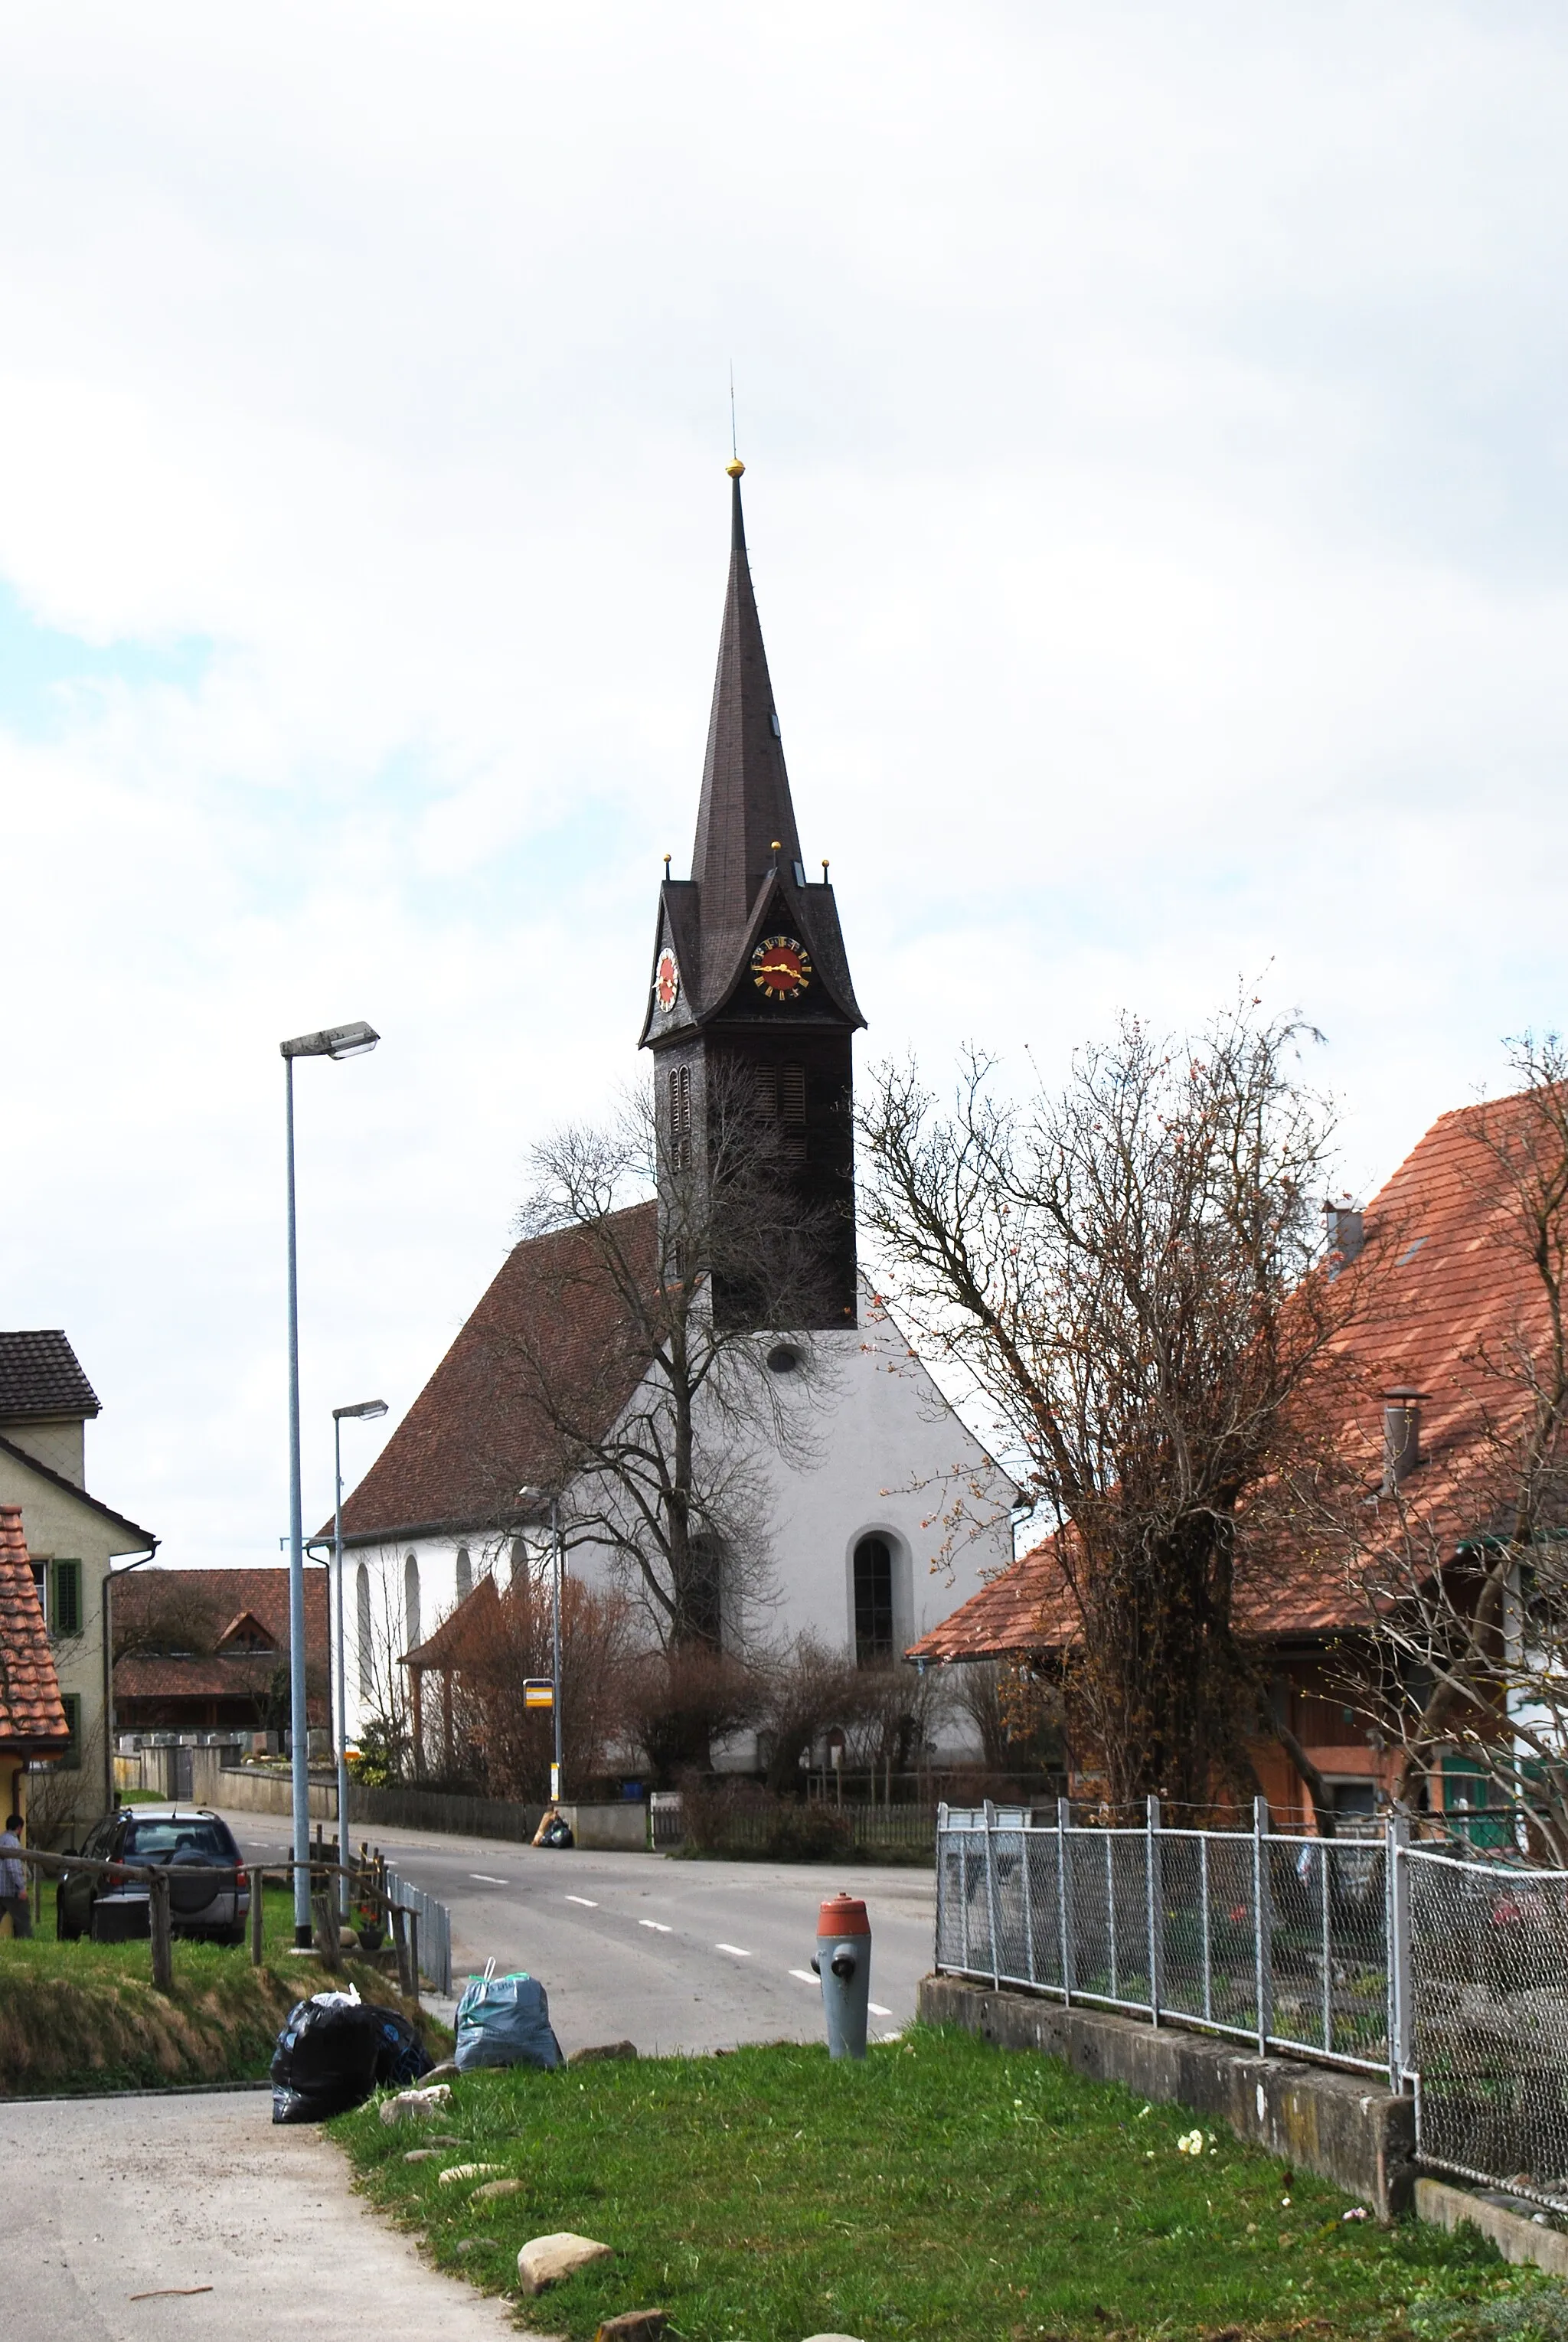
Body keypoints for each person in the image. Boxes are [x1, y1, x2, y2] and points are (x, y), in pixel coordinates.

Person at [0, 1812, 31, 1939]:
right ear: (19, 1828)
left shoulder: (2, 1839)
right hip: (10, 1889)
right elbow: (12, 1867)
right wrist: (21, 1887)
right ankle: (26, 1943)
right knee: (23, 1918)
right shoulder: (12, 1842)